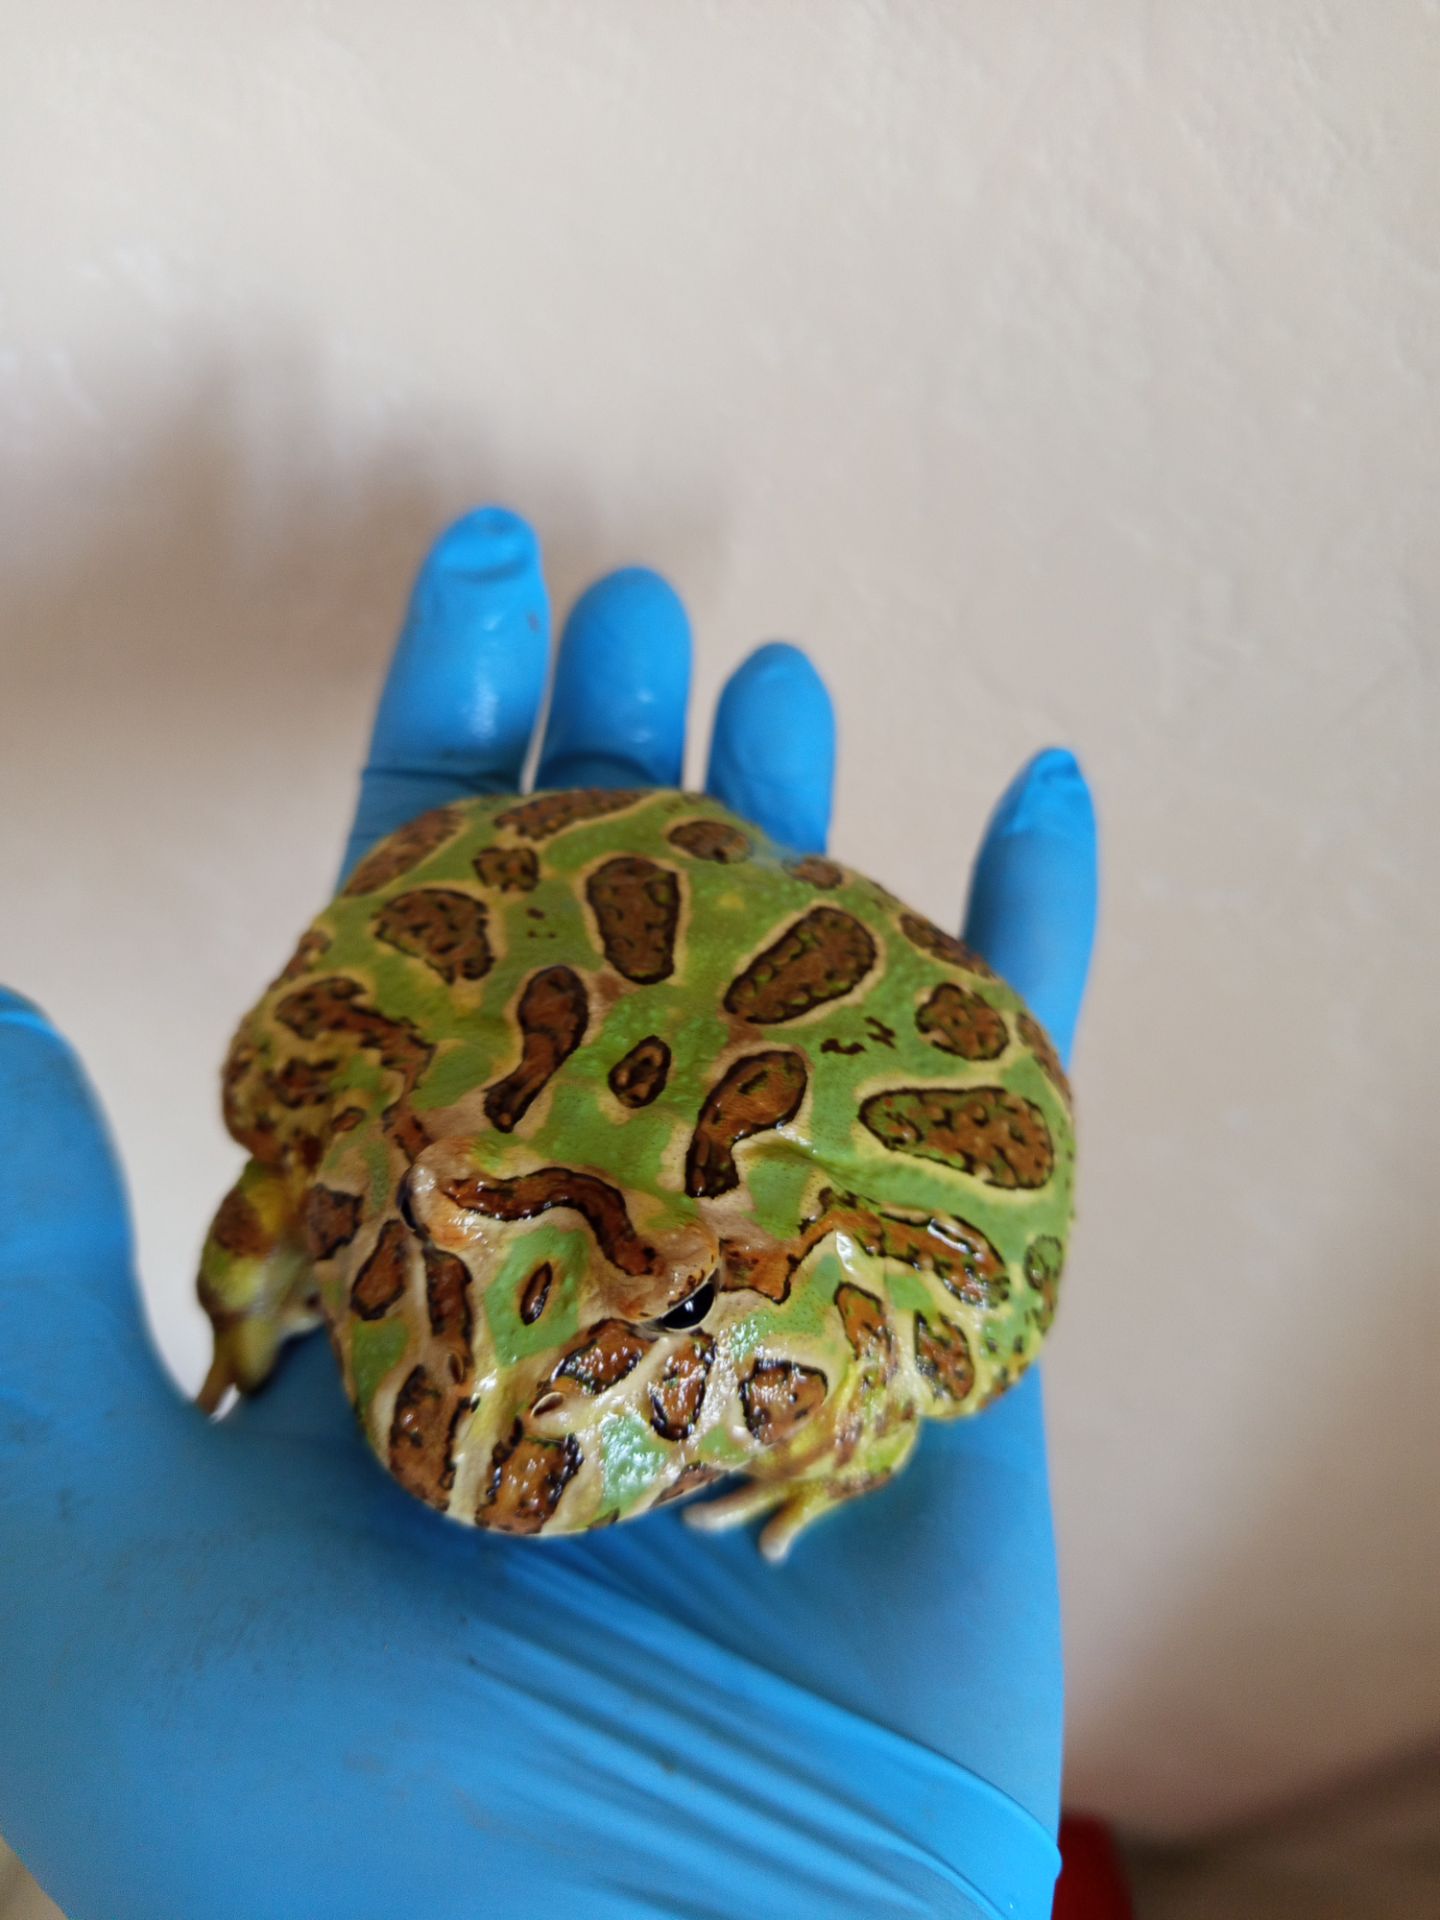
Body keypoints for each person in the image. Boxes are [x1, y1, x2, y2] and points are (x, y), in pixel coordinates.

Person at [0, 506, 1098, 1920]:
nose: (483, 1414)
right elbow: (303, 1156)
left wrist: (839, 1443)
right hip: (512, 993)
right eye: (433, 1212)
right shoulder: (405, 1148)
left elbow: (887, 1377)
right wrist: (272, 1267)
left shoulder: (810, 1302)